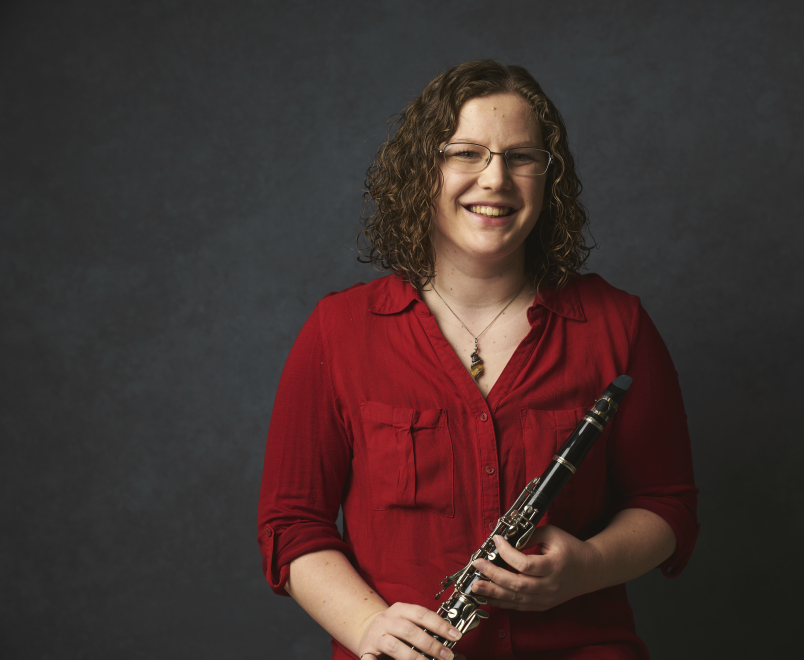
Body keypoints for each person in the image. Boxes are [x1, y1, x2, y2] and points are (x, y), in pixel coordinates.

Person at [257, 60, 698, 660]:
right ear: (423, 172)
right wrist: (366, 627)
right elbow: (291, 523)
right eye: (465, 152)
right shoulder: (338, 331)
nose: (496, 179)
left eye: (522, 157)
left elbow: (665, 502)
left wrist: (588, 565)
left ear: (548, 179)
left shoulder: (617, 325)